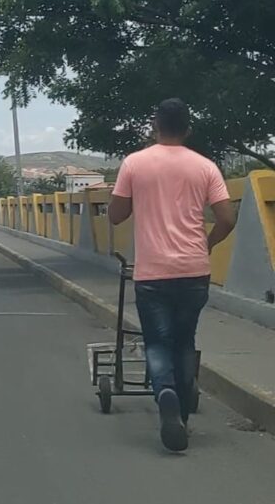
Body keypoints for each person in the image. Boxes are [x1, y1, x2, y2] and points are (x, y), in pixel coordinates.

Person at [109, 98, 236, 452]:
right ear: (188, 128)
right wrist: (206, 245)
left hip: (153, 272)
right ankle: (180, 411)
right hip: (194, 270)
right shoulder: (205, 167)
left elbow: (117, 215)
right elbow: (227, 219)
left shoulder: (135, 163)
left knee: (158, 341)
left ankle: (163, 391)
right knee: (184, 340)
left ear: (155, 125)